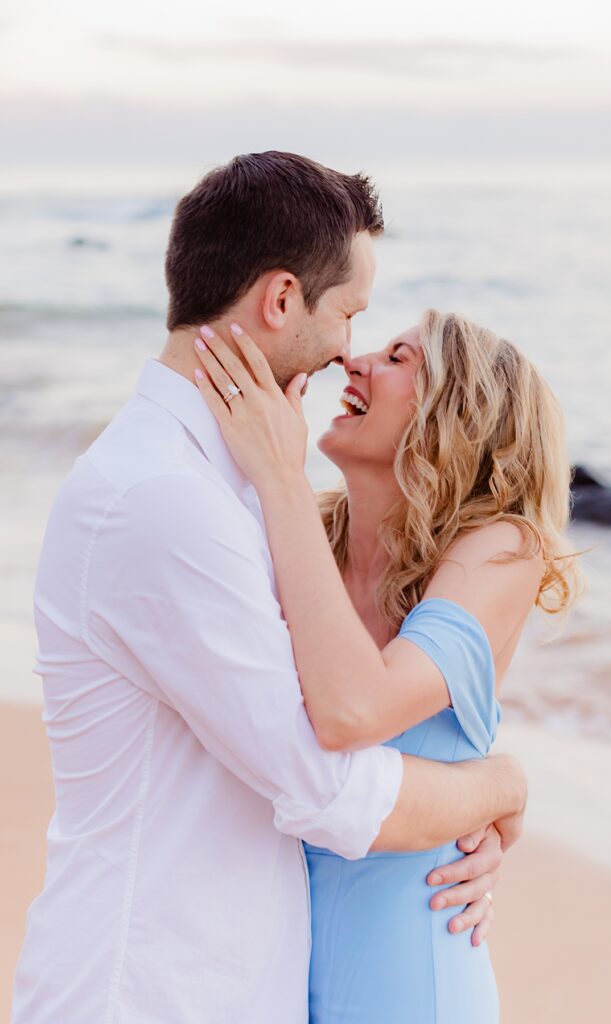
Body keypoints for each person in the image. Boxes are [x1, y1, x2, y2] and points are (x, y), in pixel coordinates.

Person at [11, 153, 527, 1024]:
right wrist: (499, 786)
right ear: (282, 299)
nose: (347, 352)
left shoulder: (240, 485)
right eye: (349, 314)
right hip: (149, 991)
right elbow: (323, 785)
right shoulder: (163, 499)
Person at [192, 308, 580, 1022]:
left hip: (405, 978)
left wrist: (278, 476)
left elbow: (354, 712)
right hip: (262, 963)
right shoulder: (303, 538)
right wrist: (497, 783)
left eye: (398, 358)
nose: (355, 360)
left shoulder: (501, 549)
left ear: (456, 411)